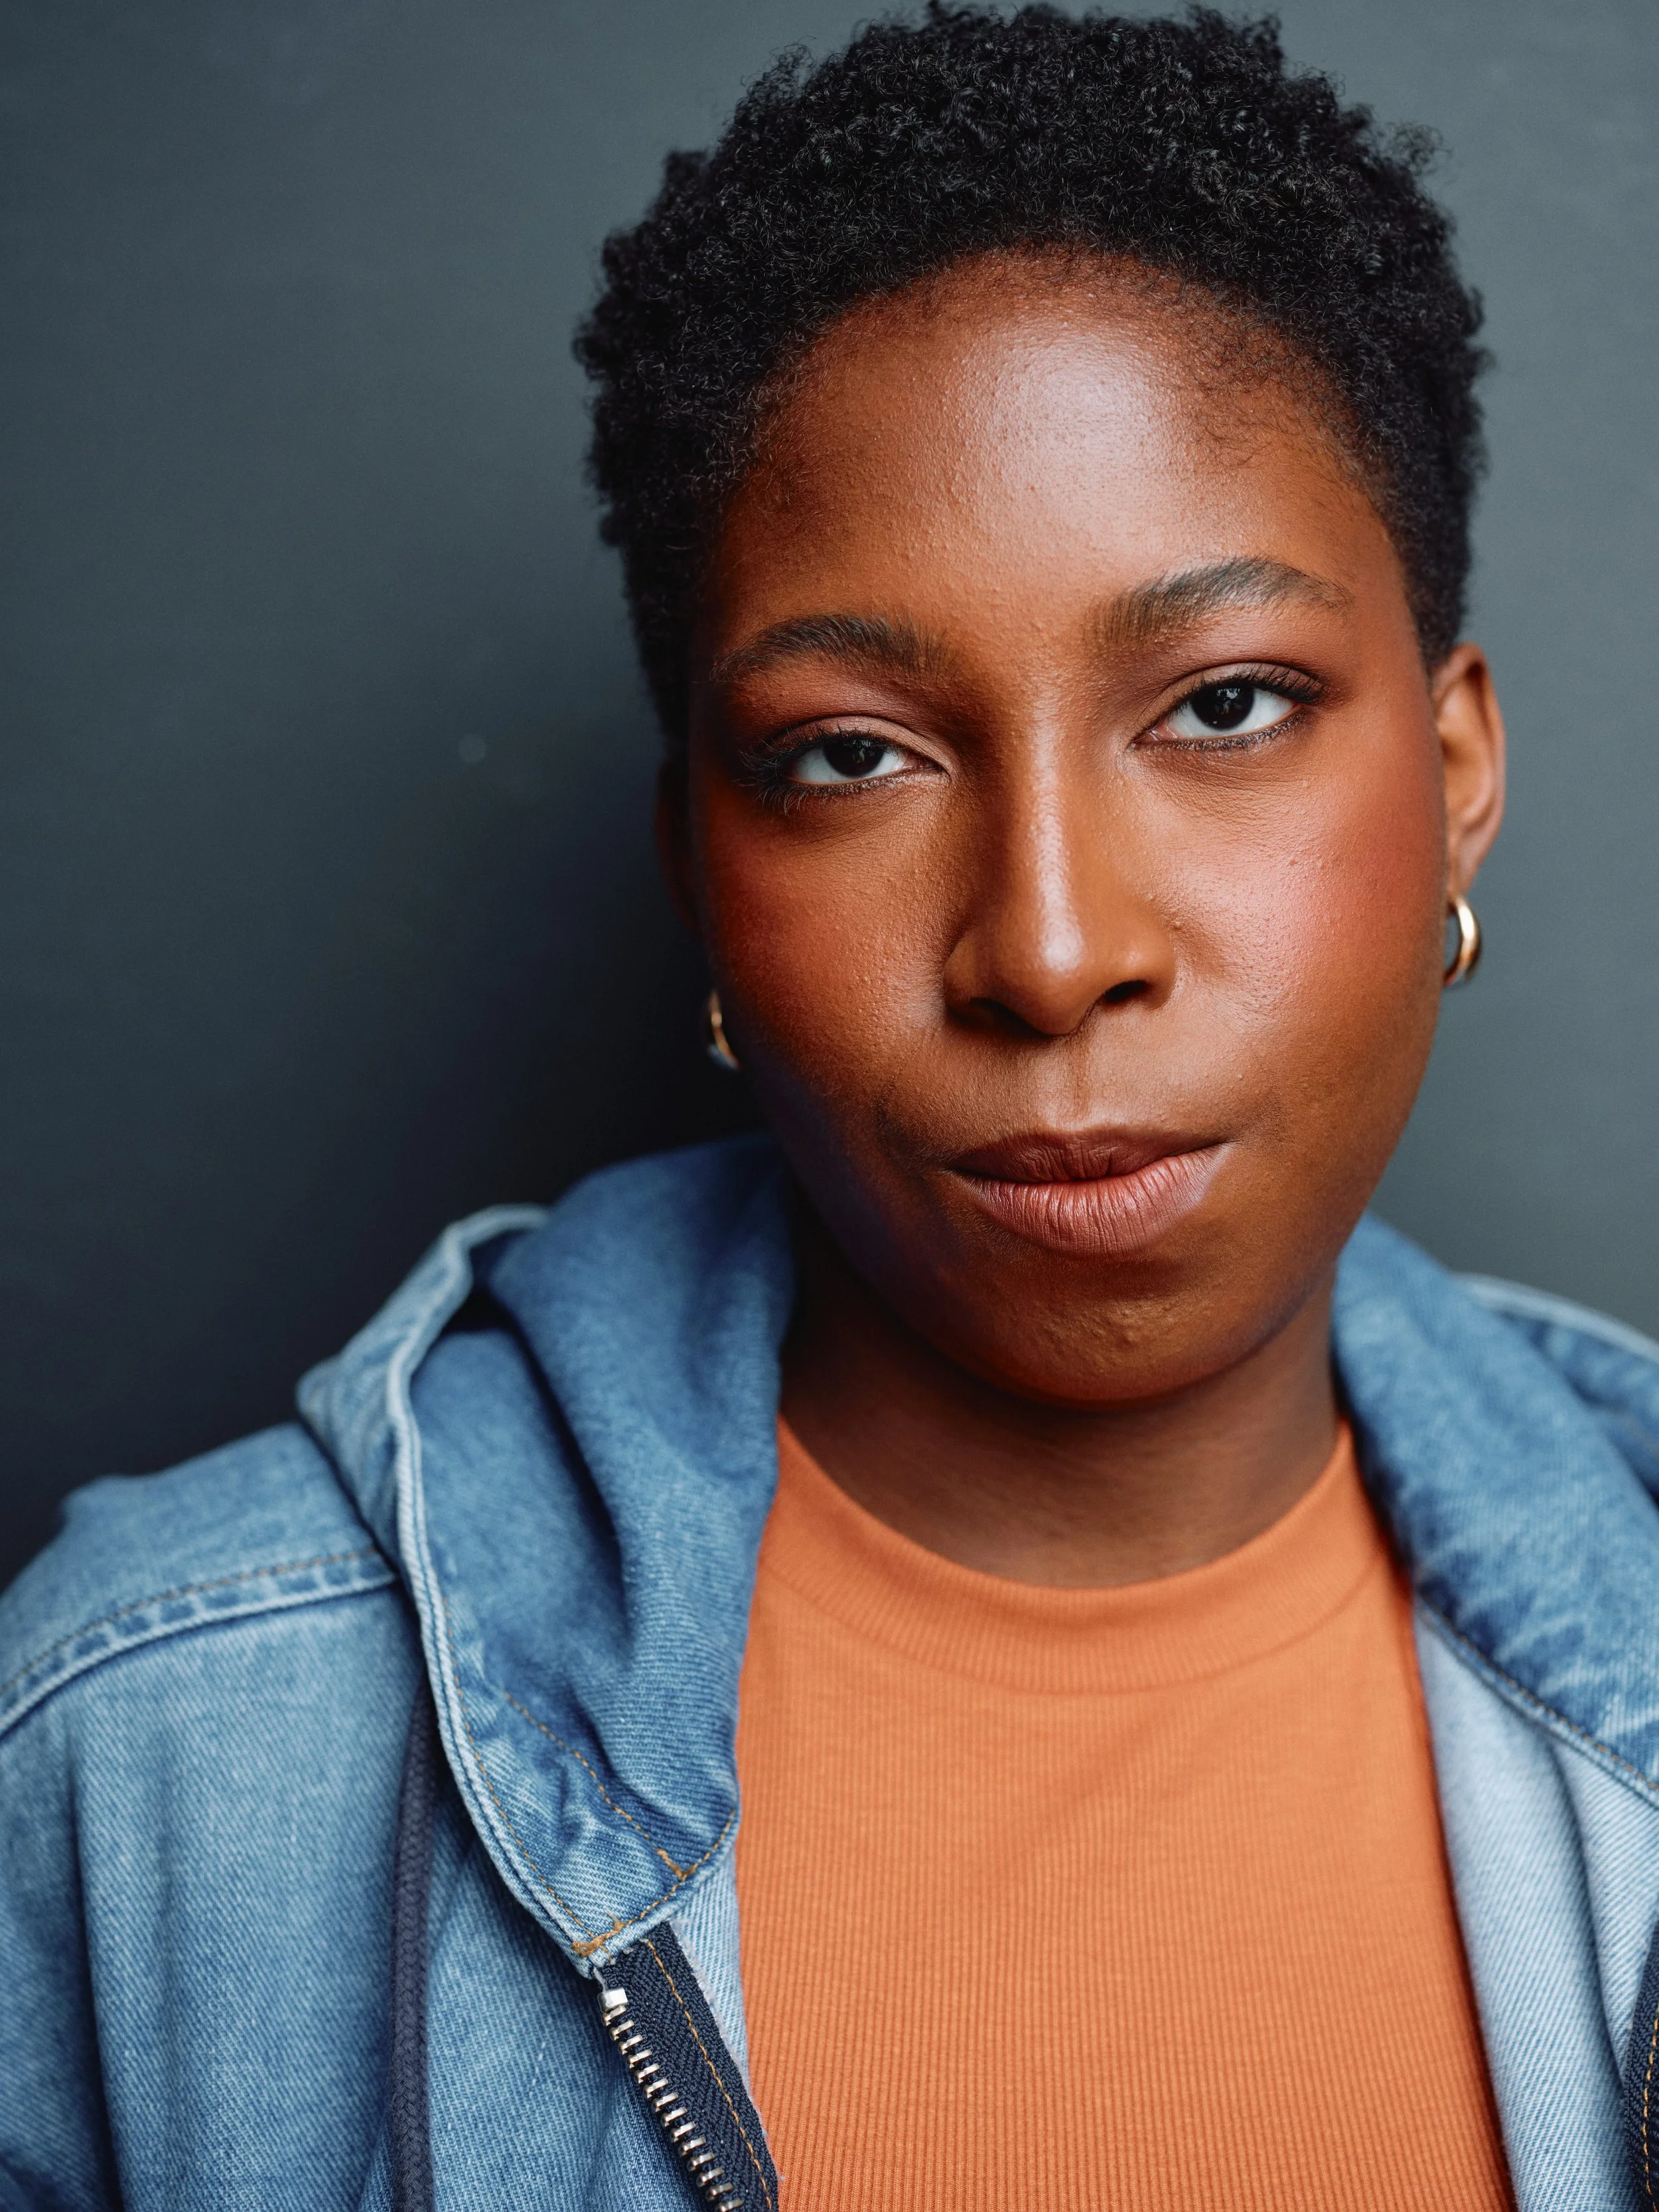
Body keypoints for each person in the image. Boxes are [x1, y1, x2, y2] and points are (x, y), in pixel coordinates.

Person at [4, 5, 1658, 2207]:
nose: (1051, 948)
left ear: (1449, 780)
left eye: (1226, 703)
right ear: (700, 863)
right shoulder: (153, 1755)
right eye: (851, 755)